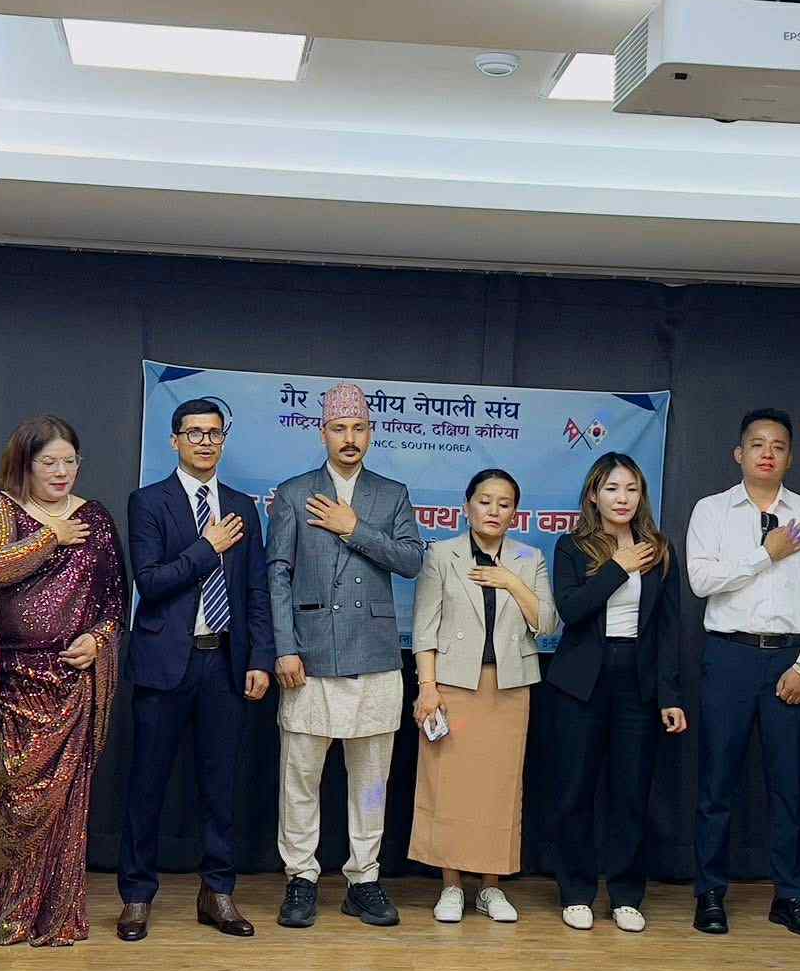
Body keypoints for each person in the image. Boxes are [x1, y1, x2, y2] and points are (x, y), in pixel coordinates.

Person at [268, 383, 426, 929]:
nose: (349, 438)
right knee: (300, 777)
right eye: (339, 429)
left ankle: (364, 879)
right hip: (309, 656)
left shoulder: (392, 494)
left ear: (371, 433)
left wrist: (354, 528)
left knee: (371, 780)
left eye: (358, 428)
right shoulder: (294, 493)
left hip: (375, 655)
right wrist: (285, 647)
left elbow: (411, 561)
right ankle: (301, 878)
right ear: (323, 434)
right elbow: (278, 574)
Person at [118, 399, 273, 940]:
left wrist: (260, 658)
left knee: (220, 787)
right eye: (194, 433)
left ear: (223, 440)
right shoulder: (149, 502)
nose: (205, 442)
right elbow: (151, 582)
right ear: (175, 440)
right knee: (146, 787)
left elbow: (256, 589)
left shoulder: (242, 506)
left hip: (225, 662)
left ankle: (218, 893)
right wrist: (207, 547)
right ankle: (137, 896)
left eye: (214, 433)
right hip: (164, 665)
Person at [0, 415, 127, 947]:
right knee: (15, 800)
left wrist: (99, 640)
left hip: (73, 682)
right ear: (26, 463)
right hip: (14, 679)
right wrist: (49, 538)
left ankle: (58, 914)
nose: (61, 472)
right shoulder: (0, 507)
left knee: (67, 804)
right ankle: (8, 913)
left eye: (69, 462)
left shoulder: (95, 518)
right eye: (49, 462)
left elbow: (115, 601)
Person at [686, 409, 800, 938]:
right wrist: (764, 554)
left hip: (789, 659)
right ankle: (709, 893)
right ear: (740, 454)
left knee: (787, 785)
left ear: (789, 457)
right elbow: (701, 581)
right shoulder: (712, 510)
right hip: (727, 656)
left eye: (778, 445)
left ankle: (790, 896)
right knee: (716, 784)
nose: (767, 453)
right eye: (757, 444)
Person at [410, 469, 558, 924]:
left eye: (504, 503)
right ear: (467, 507)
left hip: (509, 687)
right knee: (449, 787)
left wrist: (511, 581)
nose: (494, 510)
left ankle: (491, 887)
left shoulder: (529, 557)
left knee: (499, 789)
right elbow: (425, 628)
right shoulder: (442, 554)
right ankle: (452, 885)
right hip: (453, 686)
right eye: (485, 501)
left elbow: (547, 624)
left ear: (516, 513)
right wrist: (428, 687)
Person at [547, 452, 687, 933]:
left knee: (631, 791)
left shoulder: (659, 549)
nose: (622, 498)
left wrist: (669, 695)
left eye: (630, 488)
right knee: (575, 790)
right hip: (581, 680)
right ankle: (576, 892)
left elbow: (669, 629)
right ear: (594, 495)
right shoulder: (572, 547)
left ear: (641, 495)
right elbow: (570, 609)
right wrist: (617, 567)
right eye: (611, 489)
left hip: (638, 680)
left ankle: (626, 895)